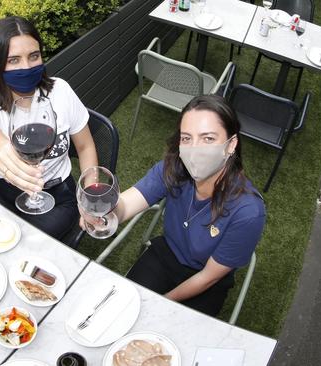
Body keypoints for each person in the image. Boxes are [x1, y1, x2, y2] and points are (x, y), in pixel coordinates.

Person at [104, 95, 265, 316]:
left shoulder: (248, 212)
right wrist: (105, 211)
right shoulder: (173, 169)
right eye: (186, 138)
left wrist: (162, 302)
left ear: (232, 144)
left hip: (206, 281)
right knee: (120, 310)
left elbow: (210, 276)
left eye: (208, 138)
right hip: (166, 255)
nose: (195, 149)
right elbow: (125, 204)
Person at [0, 16, 98, 244]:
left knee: (30, 245)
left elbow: (86, 147)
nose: (26, 67)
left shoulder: (60, 91)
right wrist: (2, 148)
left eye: (33, 56)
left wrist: (89, 197)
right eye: (14, 60)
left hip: (57, 194)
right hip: (5, 193)